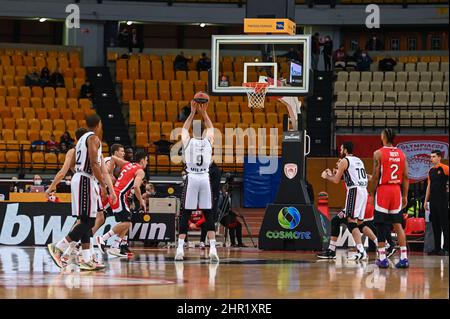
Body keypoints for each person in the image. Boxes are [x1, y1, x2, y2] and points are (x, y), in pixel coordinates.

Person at [47, 115, 115, 271]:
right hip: (85, 178)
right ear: (99, 124)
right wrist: (103, 185)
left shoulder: (81, 140)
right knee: (88, 222)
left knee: (86, 219)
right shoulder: (93, 138)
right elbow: (94, 163)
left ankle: (86, 259)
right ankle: (59, 247)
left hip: (82, 179)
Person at [175, 96, 219, 262]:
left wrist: (193, 112)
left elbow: (184, 129)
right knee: (208, 213)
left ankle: (180, 248)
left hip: (192, 177)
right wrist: (204, 113)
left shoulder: (188, 142)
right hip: (204, 178)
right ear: (205, 134)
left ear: (194, 133)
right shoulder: (208, 142)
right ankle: (213, 248)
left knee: (186, 213)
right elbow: (211, 127)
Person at [317, 142, 371, 260]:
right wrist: (334, 173)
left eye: (341, 149)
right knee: (336, 220)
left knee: (352, 222)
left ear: (345, 150)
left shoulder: (344, 161)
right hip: (363, 192)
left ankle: (361, 251)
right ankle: (331, 250)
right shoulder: (358, 160)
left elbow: (336, 180)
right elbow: (349, 176)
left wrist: (327, 176)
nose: (340, 151)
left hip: (354, 191)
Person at [369, 128, 409, 269]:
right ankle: (404, 258)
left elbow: (375, 176)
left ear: (384, 137)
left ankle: (382, 258)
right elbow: (405, 177)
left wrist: (372, 194)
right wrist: (404, 195)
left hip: (384, 190)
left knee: (381, 224)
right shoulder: (401, 154)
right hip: (396, 190)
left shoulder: (378, 153)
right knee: (398, 224)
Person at [96, 150, 148, 257]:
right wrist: (141, 201)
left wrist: (110, 173)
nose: (147, 163)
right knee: (127, 223)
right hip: (119, 196)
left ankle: (115, 247)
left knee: (127, 223)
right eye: (146, 160)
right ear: (142, 160)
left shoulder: (128, 164)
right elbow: (136, 186)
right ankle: (102, 238)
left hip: (116, 195)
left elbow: (113, 158)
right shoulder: (140, 170)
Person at [424, 150, 449, 256]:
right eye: (431, 156)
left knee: (445, 225)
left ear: (439, 157)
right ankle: (437, 248)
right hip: (433, 201)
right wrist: (425, 201)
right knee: (435, 225)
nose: (431, 158)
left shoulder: (445, 168)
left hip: (443, 200)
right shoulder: (430, 171)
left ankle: (446, 248)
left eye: (433, 156)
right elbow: (429, 186)